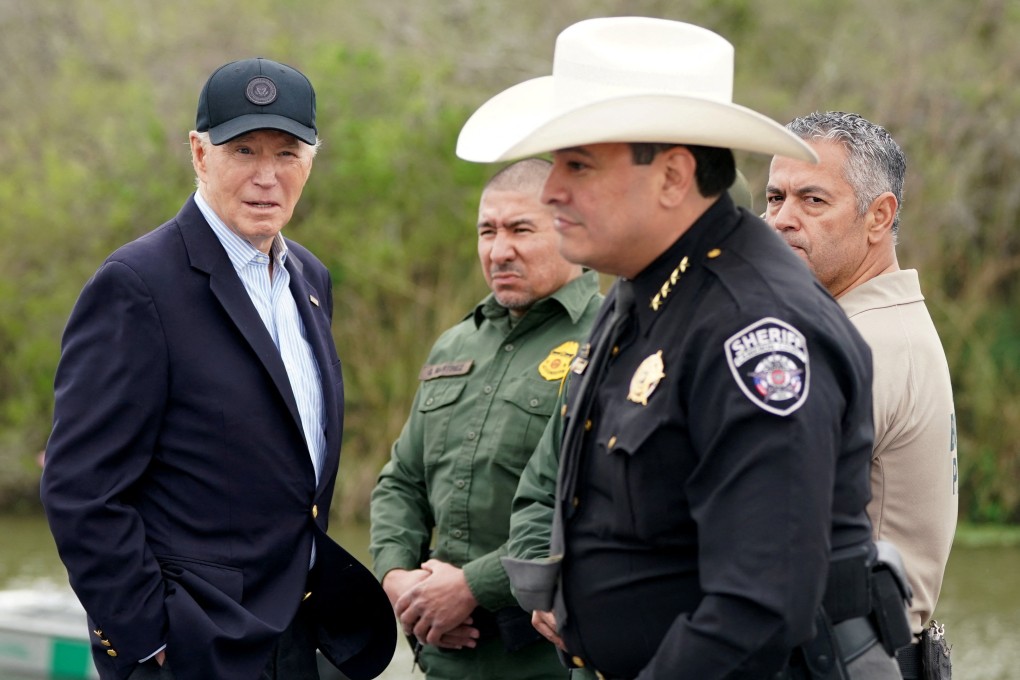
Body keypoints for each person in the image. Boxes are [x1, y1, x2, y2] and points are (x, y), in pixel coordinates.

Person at [457, 17, 910, 679]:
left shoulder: (756, 327)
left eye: (577, 164)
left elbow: (758, 606)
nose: (551, 188)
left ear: (673, 176)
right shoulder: (644, 288)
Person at [40, 57, 395, 680]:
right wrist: (149, 639)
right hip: (194, 645)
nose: (267, 176)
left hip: (298, 633)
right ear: (199, 154)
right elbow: (81, 488)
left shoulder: (309, 278)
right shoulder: (137, 285)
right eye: (244, 150)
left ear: (311, 161)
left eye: (287, 152)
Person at [369, 158, 602, 679]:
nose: (499, 250)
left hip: (547, 661)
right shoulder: (457, 342)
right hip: (444, 657)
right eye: (487, 231)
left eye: (521, 229)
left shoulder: (609, 339)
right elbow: (401, 480)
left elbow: (593, 505)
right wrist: (399, 578)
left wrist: (471, 586)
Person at [765, 110, 958, 672]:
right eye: (774, 197)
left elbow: (758, 513)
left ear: (879, 216)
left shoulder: (859, 343)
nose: (781, 219)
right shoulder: (882, 325)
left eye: (813, 200)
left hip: (844, 656)